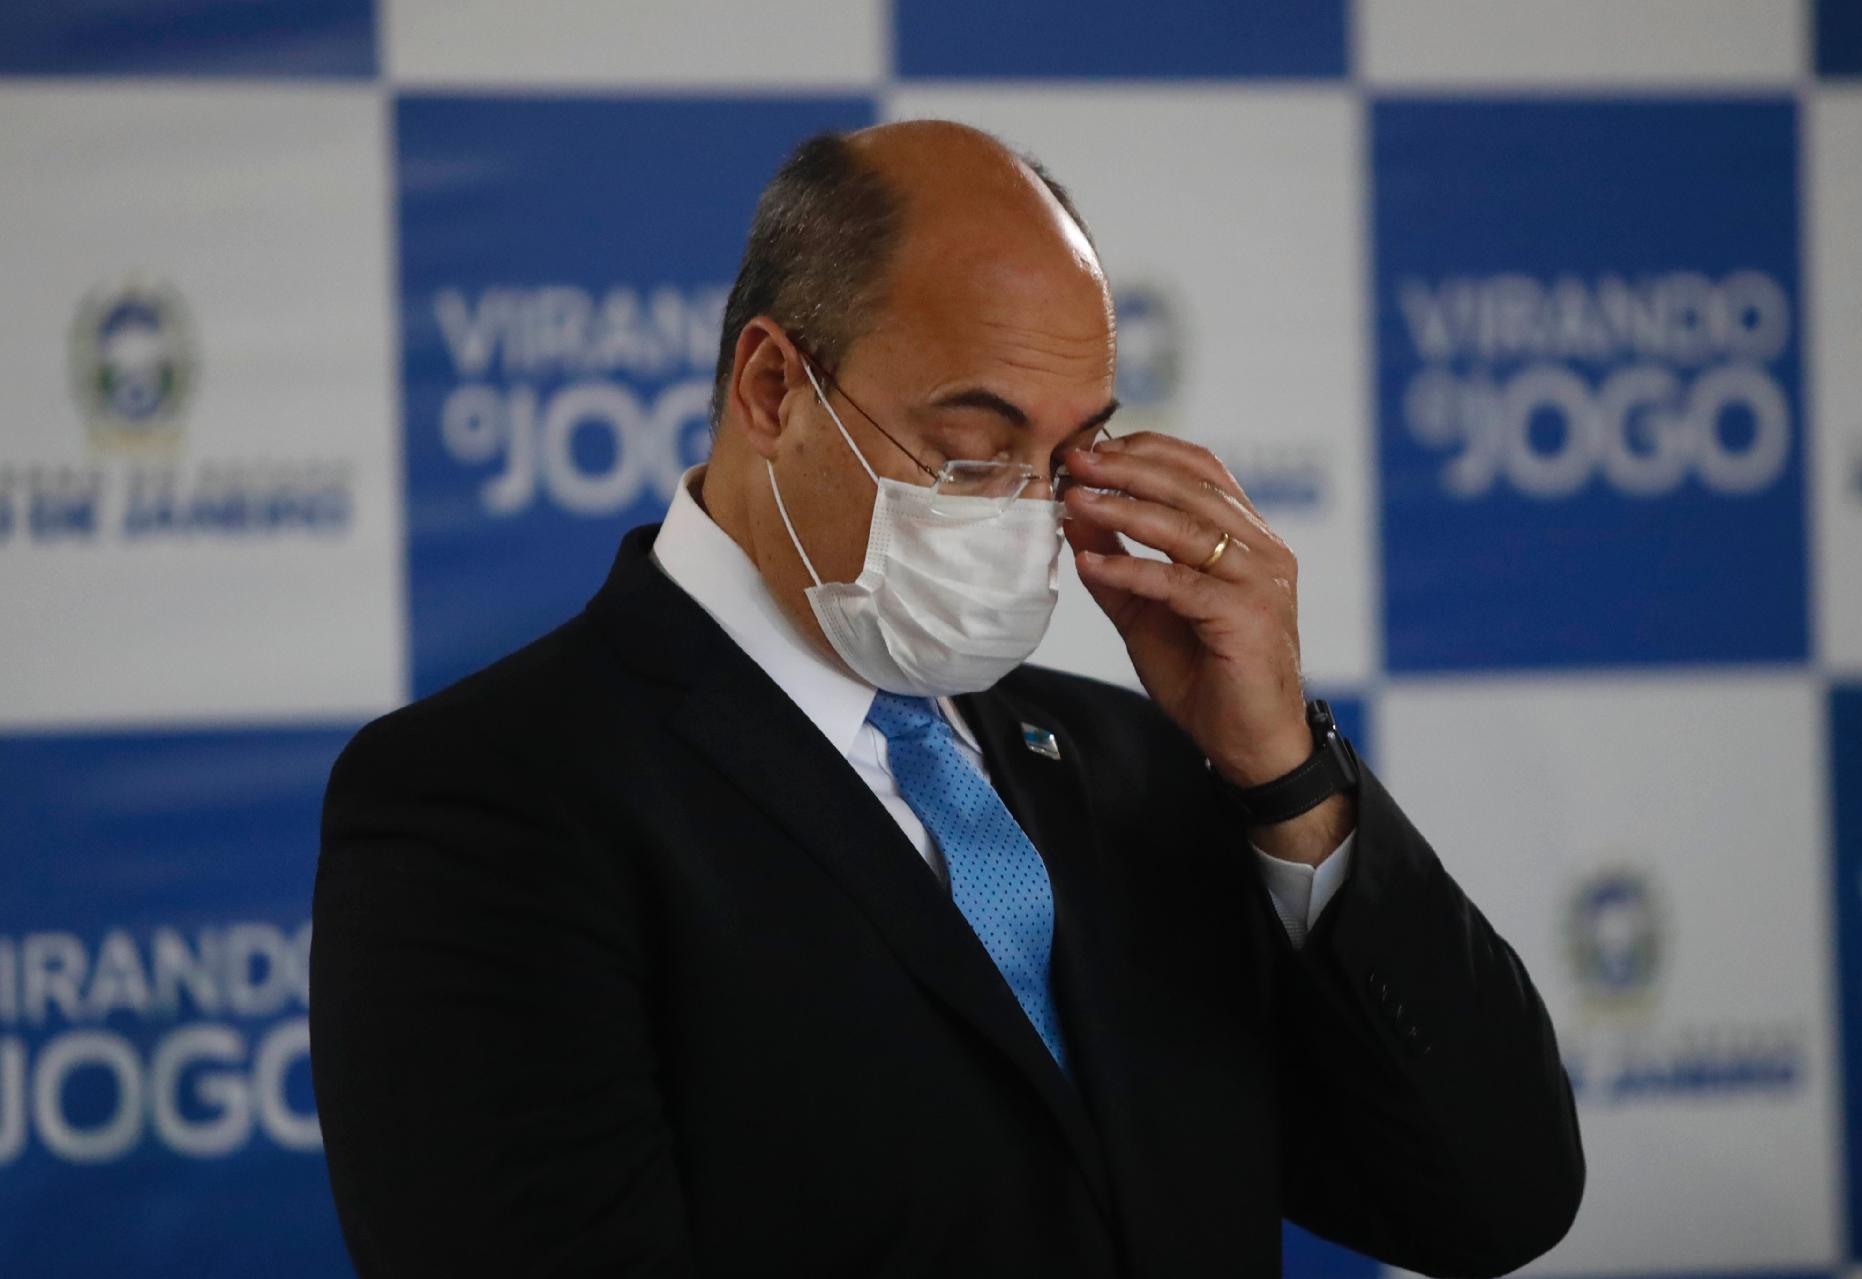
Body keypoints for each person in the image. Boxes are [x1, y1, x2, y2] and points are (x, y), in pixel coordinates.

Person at [310, 120, 1583, 1277]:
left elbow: (1496, 1201)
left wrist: (1287, 777)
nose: (1028, 509)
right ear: (772, 389)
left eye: (1067, 455)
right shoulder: (487, 797)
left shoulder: (1138, 765)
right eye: (974, 451)